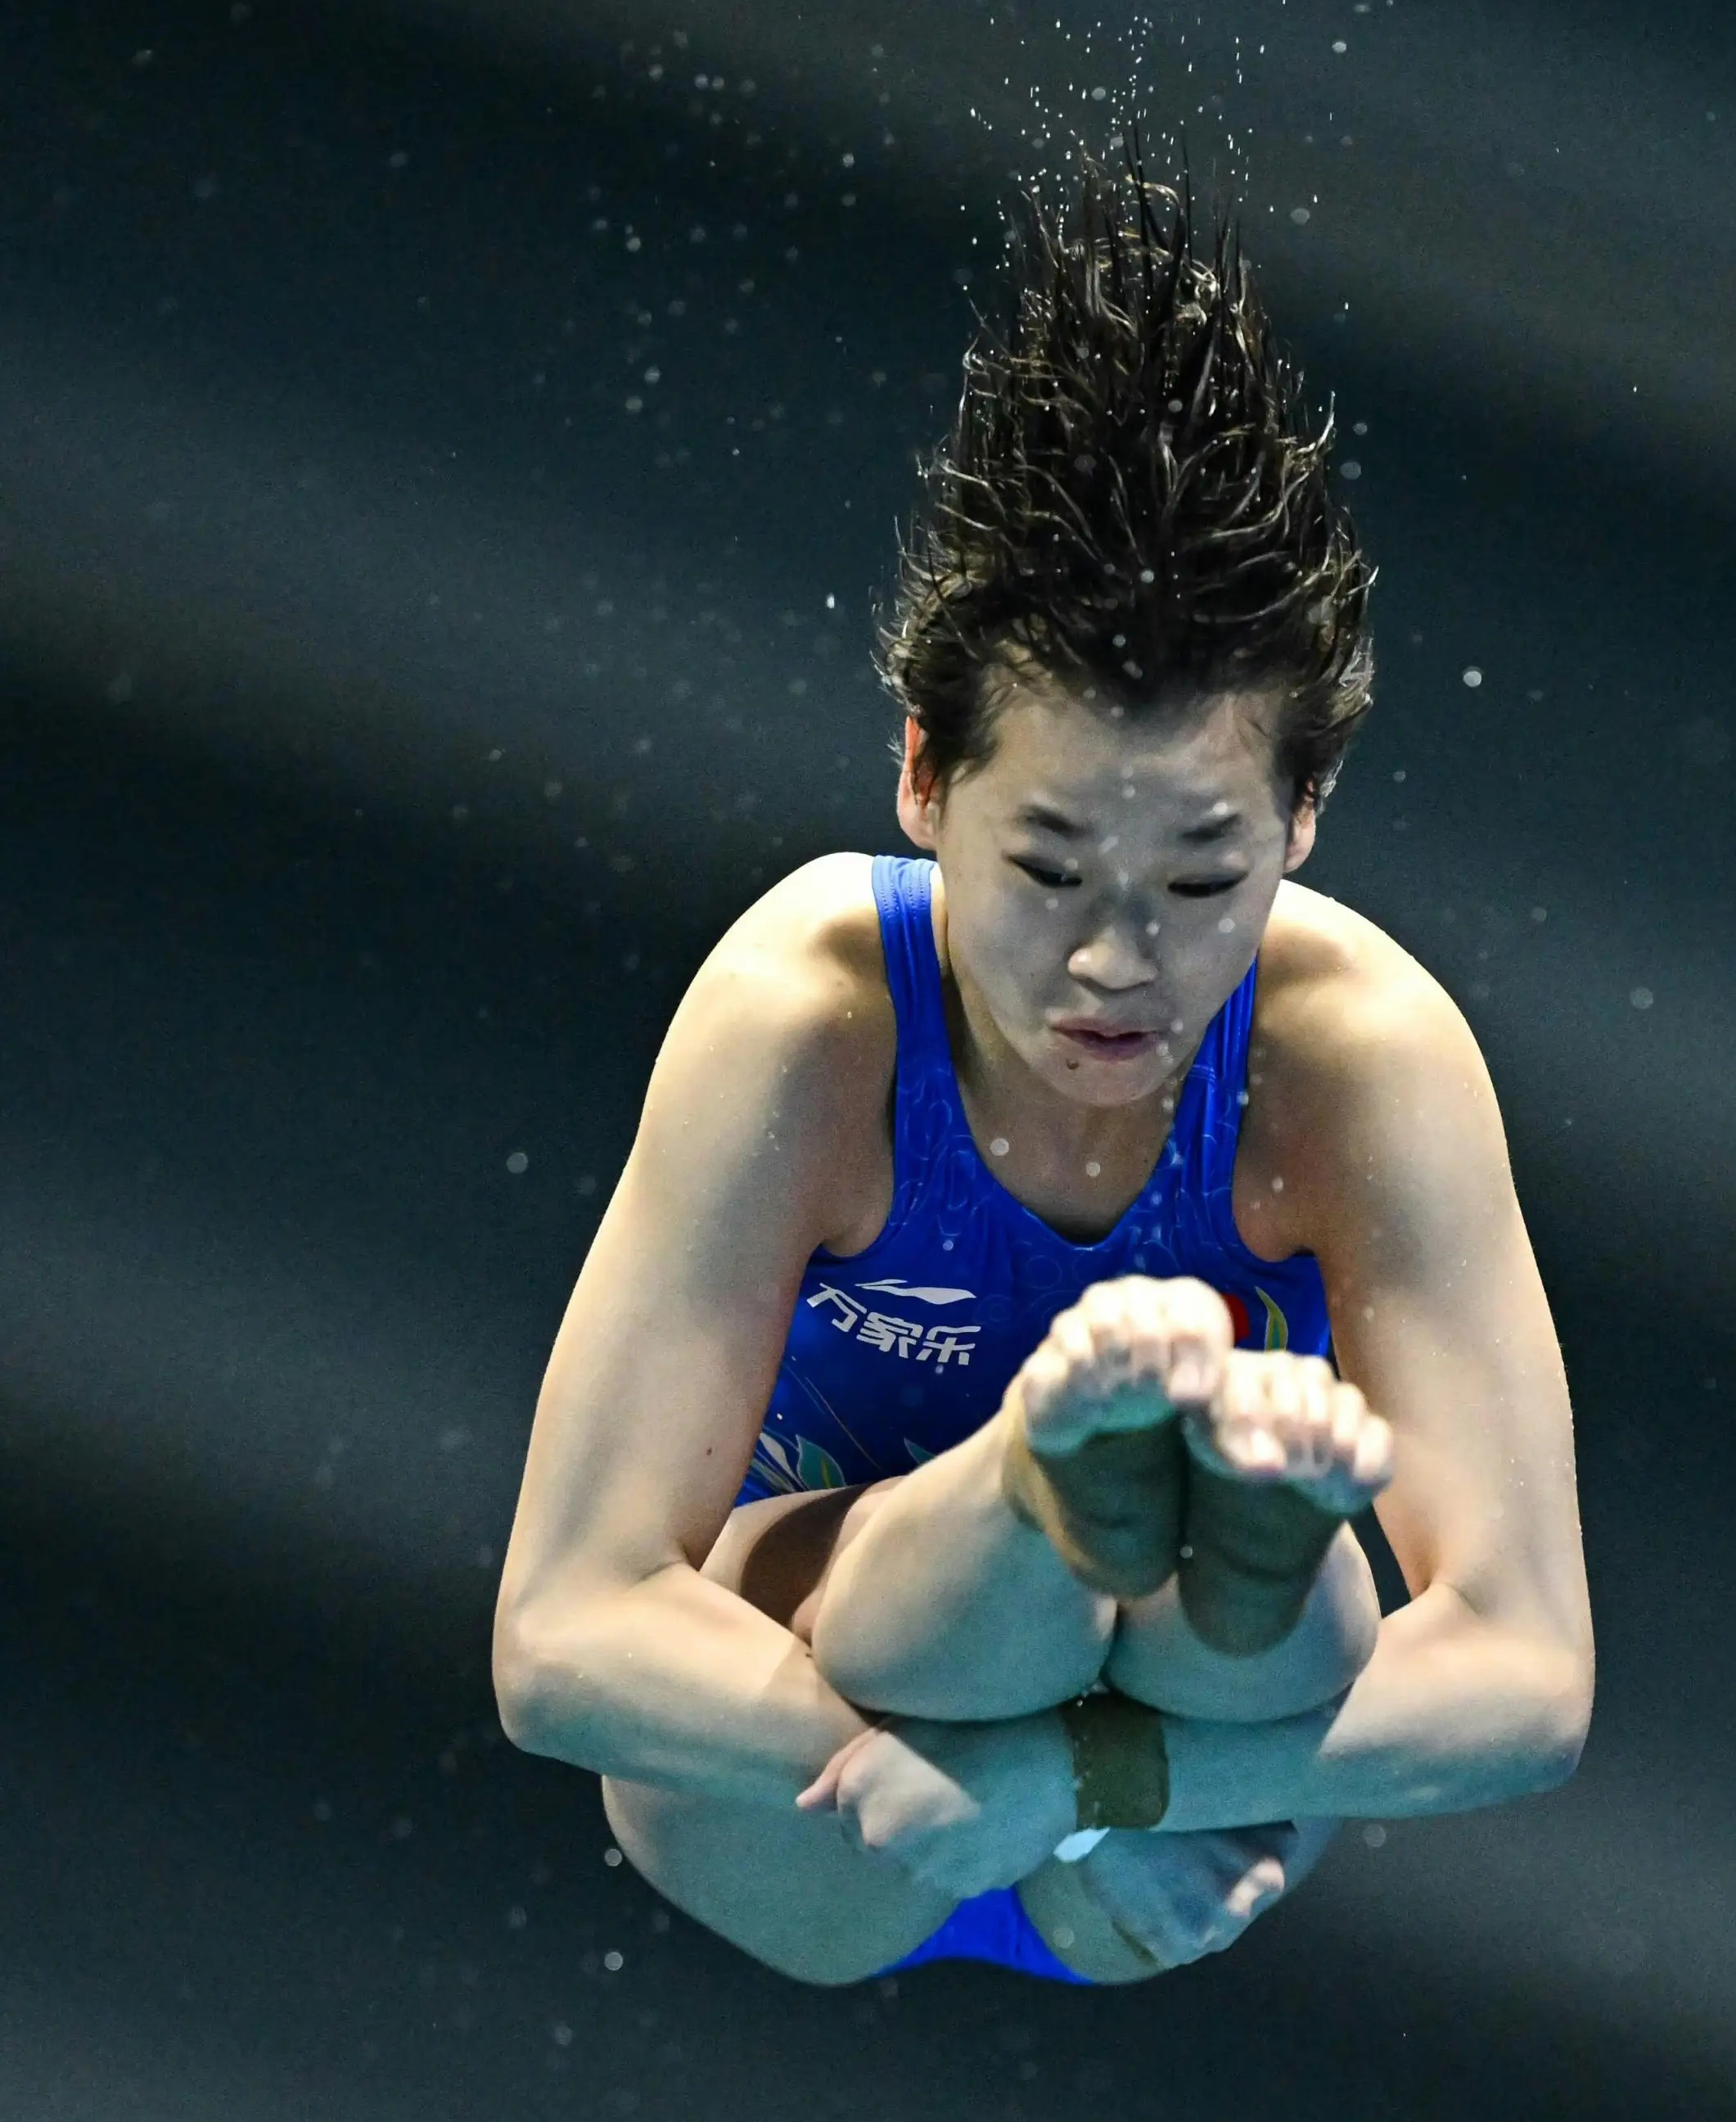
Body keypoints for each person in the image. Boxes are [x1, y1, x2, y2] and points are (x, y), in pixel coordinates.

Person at [492, 142, 1593, 1987]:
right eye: (1049, 866)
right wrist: (1024, 1777)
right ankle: (1052, 1487)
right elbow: (562, 1638)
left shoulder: (1364, 1057)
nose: (1114, 960)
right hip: (804, 1790)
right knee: (994, 1584)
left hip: (1151, 1819)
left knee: (1292, 1594)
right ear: (925, 779)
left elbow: (1530, 1671)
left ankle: (1182, 1520)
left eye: (1199, 879)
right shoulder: (808, 1010)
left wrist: (1088, 1784)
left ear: (1306, 813)